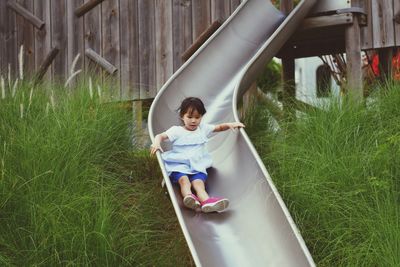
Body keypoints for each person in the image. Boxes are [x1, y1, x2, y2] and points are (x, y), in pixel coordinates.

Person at [150, 97, 245, 213]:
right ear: (182, 116)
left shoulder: (203, 129)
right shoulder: (176, 131)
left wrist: (230, 124)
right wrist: (156, 142)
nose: (193, 121)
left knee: (199, 184)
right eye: (189, 117)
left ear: (201, 117)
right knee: (184, 181)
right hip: (180, 165)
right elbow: (160, 136)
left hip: (197, 166)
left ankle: (207, 202)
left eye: (197, 117)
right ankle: (189, 198)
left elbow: (218, 127)